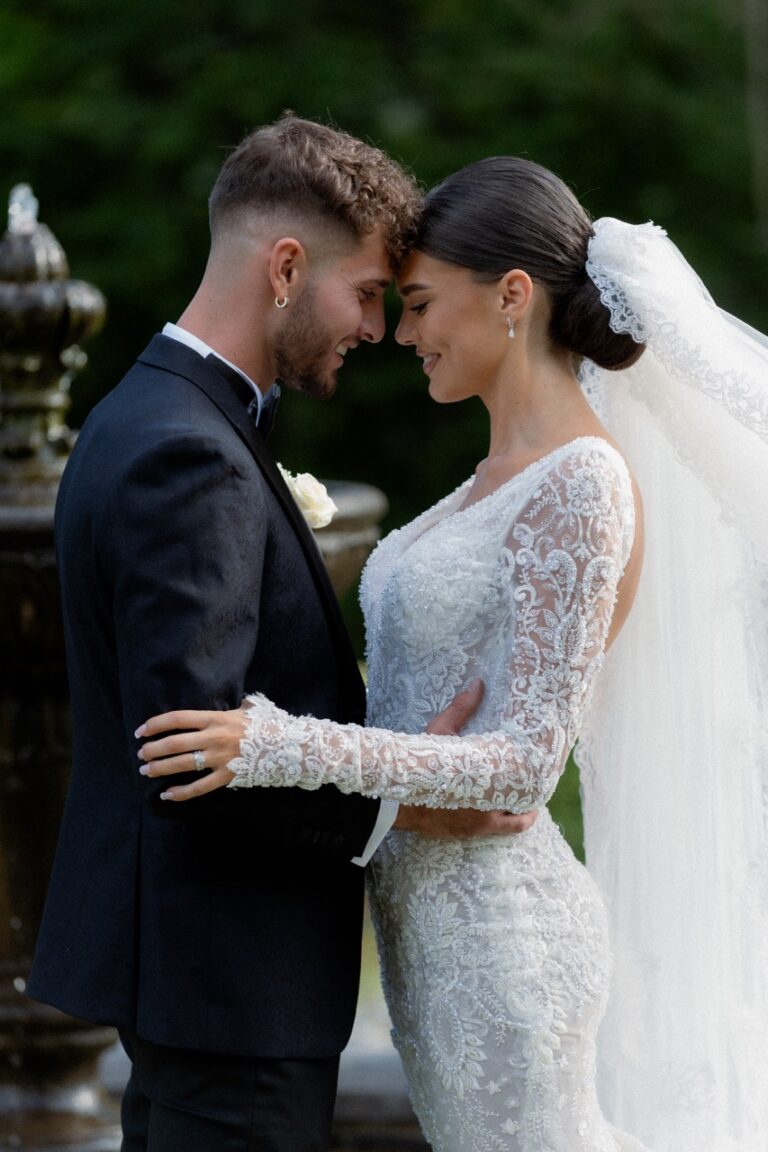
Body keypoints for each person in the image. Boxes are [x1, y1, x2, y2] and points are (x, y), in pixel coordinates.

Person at [139, 155, 768, 1151]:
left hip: (503, 940)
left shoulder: (581, 484)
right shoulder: (486, 483)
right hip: (433, 934)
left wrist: (279, 746)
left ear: (512, 296)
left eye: (423, 302)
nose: (402, 334)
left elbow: (525, 763)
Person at [27, 119, 534, 1152]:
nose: (376, 329)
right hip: (229, 994)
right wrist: (403, 804)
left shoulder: (143, 411)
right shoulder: (191, 457)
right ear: (288, 267)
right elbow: (195, 754)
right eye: (367, 295)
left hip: (196, 990)